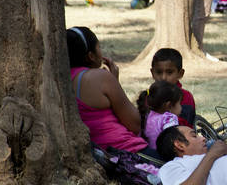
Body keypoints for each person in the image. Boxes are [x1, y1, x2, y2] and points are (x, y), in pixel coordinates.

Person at [66, 26, 160, 159]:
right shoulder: (101, 77)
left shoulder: (59, 79)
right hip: (126, 151)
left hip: (97, 155)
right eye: (99, 47)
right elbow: (135, 124)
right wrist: (115, 83)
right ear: (91, 56)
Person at [149, 48, 196, 127]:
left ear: (180, 73)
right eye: (159, 72)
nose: (163, 77)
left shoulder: (186, 97)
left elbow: (185, 126)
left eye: (169, 72)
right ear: (152, 73)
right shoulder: (148, 96)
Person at [136, 80, 182, 150]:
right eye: (179, 103)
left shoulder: (146, 115)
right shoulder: (169, 119)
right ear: (169, 105)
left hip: (148, 156)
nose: (181, 107)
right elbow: (173, 143)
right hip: (162, 159)